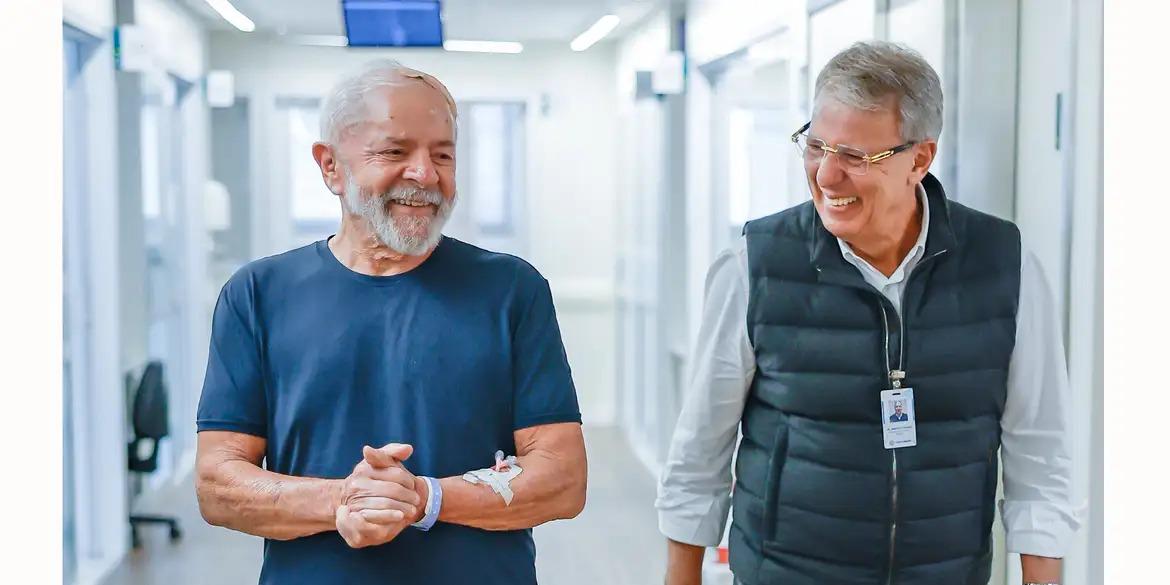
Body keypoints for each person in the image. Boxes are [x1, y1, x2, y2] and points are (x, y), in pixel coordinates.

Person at [657, 41, 1079, 585]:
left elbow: (1041, 459)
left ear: (920, 159)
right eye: (815, 146)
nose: (826, 177)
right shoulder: (754, 265)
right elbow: (698, 454)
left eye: (855, 157)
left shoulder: (1005, 265)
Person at [194, 60, 587, 585]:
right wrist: (343, 501)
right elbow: (218, 484)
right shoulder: (257, 295)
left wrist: (425, 497)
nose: (425, 175)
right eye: (395, 152)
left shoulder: (512, 290)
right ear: (330, 166)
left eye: (443, 154)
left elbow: (563, 478)